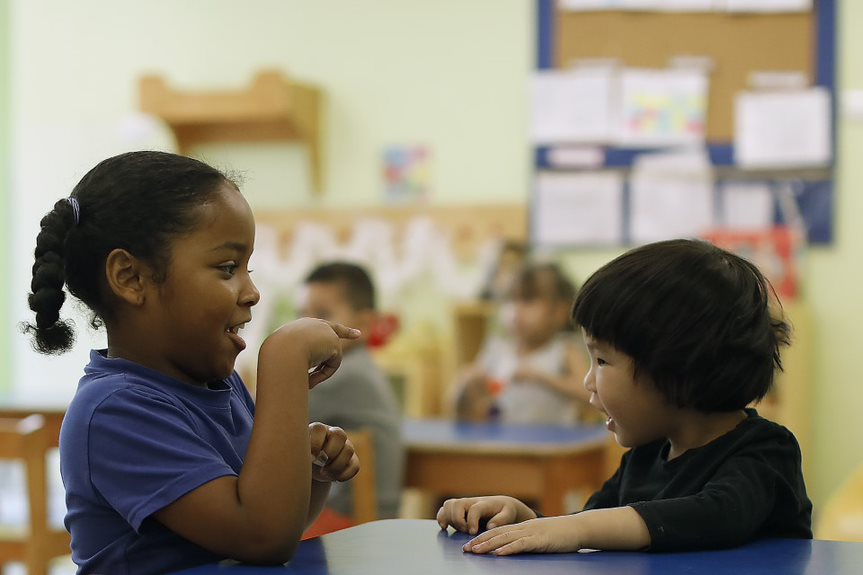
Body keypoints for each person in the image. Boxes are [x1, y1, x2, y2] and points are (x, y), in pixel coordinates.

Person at [24, 151, 360, 575]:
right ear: (130, 278)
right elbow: (262, 536)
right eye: (226, 268)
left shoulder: (220, 385)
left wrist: (308, 472)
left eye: (247, 268)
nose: (252, 292)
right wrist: (283, 359)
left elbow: (274, 522)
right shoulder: (113, 410)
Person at [437, 239, 812, 555]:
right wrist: (527, 520)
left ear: (674, 369)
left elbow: (717, 515)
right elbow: (593, 528)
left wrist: (577, 529)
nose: (587, 381)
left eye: (601, 360)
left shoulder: (766, 453)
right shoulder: (645, 457)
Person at [300, 262, 404, 523]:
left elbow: (265, 425)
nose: (306, 325)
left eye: (322, 313)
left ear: (363, 324)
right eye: (301, 314)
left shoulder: (344, 375)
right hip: (365, 517)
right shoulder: (360, 366)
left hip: (350, 521)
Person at [454, 262, 590, 425]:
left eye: (528, 300)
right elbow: (469, 402)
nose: (516, 310)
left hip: (552, 447)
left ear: (559, 311)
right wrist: (468, 383)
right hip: (504, 443)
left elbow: (588, 395)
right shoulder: (496, 349)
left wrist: (542, 378)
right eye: (510, 300)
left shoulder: (564, 350)